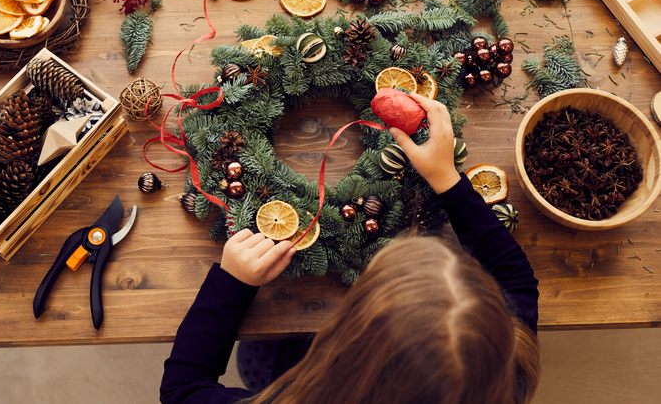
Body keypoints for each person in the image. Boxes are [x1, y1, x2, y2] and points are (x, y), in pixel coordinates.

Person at [160, 93, 541, 404]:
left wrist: (231, 284)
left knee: (263, 357)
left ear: (349, 345)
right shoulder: (509, 369)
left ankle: (271, 367)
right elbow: (517, 280)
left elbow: (183, 390)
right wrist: (446, 179)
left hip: (292, 377)